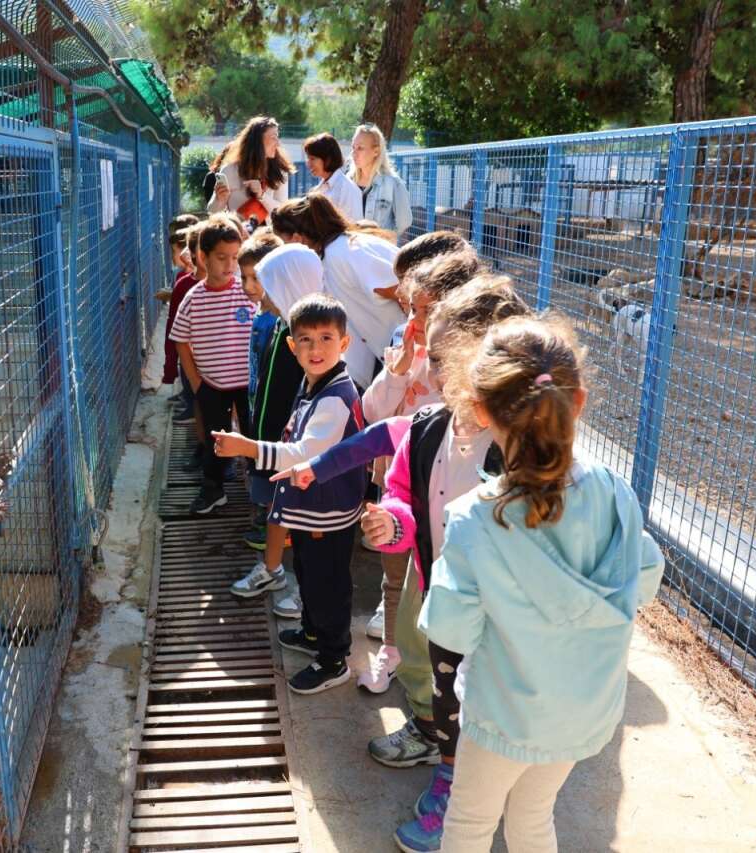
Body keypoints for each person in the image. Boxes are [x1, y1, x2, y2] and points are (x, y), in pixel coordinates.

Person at [390, 315, 666, 853]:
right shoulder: (614, 492)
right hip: (582, 710)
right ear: (578, 401)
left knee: (468, 824)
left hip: (502, 715)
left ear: (482, 409)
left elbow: (450, 627)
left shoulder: (474, 518)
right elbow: (646, 578)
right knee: (535, 814)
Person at [273, 277, 530, 765]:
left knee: (473, 677)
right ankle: (432, 731)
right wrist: (391, 521)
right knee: (420, 655)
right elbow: (384, 454)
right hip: (430, 569)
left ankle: (459, 763)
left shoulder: (519, 446)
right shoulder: (434, 423)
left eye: (438, 360)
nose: (428, 371)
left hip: (492, 594)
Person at [212, 294, 366, 694]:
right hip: (312, 508)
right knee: (311, 576)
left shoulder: (335, 397)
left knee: (327, 584)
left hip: (327, 512)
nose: (316, 349)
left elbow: (304, 454)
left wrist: (247, 447)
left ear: (344, 344)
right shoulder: (316, 383)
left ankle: (334, 659)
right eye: (307, 340)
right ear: (291, 345)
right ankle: (314, 634)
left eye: (327, 338)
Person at [355, 248, 481, 691]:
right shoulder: (403, 347)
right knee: (397, 579)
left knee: (429, 585)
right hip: (398, 487)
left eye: (427, 311)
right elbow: (372, 411)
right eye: (412, 308)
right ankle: (392, 652)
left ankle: (431, 681)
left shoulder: (466, 372)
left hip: (441, 501)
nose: (416, 320)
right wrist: (400, 370)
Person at [229, 243, 321, 599]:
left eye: (271, 285)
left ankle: (307, 590)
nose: (263, 293)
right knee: (277, 511)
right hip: (271, 444)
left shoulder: (307, 339)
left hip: (293, 448)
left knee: (304, 520)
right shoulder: (283, 326)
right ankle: (272, 570)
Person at [270, 195, 406, 389]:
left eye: (284, 241)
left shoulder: (343, 251)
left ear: (297, 238)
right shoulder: (332, 252)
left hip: (408, 349)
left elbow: (398, 288)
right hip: (390, 351)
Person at [170, 216, 254, 515]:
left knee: (252, 435)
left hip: (248, 385)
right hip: (213, 386)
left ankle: (258, 491)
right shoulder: (194, 297)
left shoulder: (246, 291)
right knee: (216, 440)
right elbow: (180, 339)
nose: (229, 265)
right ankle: (213, 488)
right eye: (222, 258)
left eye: (235, 257)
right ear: (202, 257)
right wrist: (196, 383)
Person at [231, 231, 292, 559]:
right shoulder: (262, 314)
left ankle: (278, 529)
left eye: (257, 278)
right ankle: (268, 519)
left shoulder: (280, 321)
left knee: (271, 469)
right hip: (257, 400)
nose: (249, 286)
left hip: (273, 412)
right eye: (244, 278)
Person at [207, 116, 294, 223]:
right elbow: (212, 213)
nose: (278, 143)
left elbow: (282, 213)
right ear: (258, 141)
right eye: (273, 137)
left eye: (277, 137)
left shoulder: (280, 172)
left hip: (268, 237)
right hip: (239, 236)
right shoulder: (229, 170)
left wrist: (262, 195)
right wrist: (219, 200)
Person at [161, 215, 200, 417]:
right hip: (190, 342)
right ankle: (189, 399)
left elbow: (175, 323)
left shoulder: (186, 281)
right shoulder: (183, 278)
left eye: (174, 251)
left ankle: (192, 406)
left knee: (189, 372)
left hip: (189, 343)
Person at [350, 123, 413, 237]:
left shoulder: (394, 183)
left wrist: (383, 239)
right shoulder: (348, 182)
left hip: (378, 252)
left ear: (376, 151)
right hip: (351, 251)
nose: (354, 153)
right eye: (353, 147)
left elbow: (404, 222)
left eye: (360, 148)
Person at [303, 133, 362, 221]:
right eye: (308, 158)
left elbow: (354, 227)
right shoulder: (319, 188)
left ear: (328, 159)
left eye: (312, 158)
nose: (308, 163)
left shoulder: (348, 189)